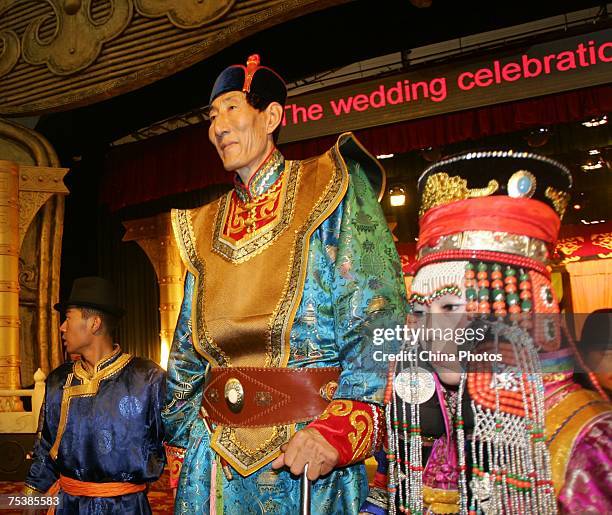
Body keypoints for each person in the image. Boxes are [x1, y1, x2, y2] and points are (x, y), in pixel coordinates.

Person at [162, 54, 407, 514]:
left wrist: (337, 433)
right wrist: (181, 440)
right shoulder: (201, 225)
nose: (217, 127)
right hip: (212, 455)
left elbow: (380, 319)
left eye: (232, 108)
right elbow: (186, 352)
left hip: (309, 447)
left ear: (272, 116)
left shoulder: (330, 185)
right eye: (211, 117)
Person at [366, 150, 612, 514]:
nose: (431, 332)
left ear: (516, 308)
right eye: (420, 310)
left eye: (451, 307)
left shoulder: (588, 444)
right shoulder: (445, 427)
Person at [24, 276, 166, 514]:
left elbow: (174, 443)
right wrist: (30, 501)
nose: (62, 327)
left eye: (68, 318)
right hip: (68, 506)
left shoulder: (147, 378)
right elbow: (44, 447)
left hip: (126, 507)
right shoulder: (59, 380)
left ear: (94, 324)